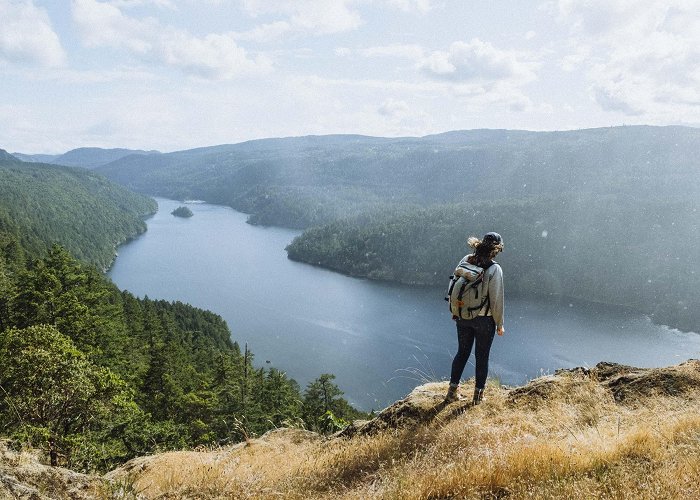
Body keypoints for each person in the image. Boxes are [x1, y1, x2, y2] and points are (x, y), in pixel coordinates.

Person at [445, 232, 504, 405]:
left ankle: (451, 392)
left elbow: (453, 284)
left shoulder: (467, 259)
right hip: (484, 321)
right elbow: (496, 300)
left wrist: (455, 309)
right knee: (482, 356)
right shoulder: (495, 269)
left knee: (462, 353)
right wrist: (499, 324)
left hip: (463, 316)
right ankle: (478, 398)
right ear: (497, 249)